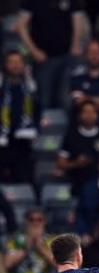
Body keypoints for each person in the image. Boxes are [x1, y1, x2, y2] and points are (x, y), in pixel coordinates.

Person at [16, 0, 84, 110]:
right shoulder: (31, 2)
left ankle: (65, 127)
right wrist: (34, 50)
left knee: (65, 99)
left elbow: (78, 20)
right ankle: (44, 126)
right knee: (44, 99)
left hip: (67, 56)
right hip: (44, 59)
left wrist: (75, 44)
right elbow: (21, 26)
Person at [56, 100, 99, 198]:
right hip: (78, 185)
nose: (89, 115)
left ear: (97, 115)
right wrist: (76, 163)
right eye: (85, 112)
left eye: (92, 112)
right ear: (80, 115)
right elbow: (60, 163)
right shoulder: (71, 136)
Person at [0, 51, 41, 184]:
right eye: (12, 62)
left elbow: (37, 111)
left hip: (24, 140)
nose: (15, 65)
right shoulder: (2, 87)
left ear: (24, 65)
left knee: (24, 177)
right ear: (5, 65)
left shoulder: (31, 87)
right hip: (2, 140)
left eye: (18, 62)